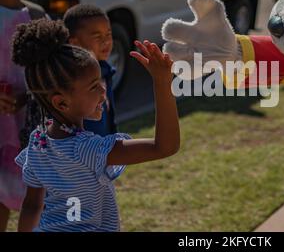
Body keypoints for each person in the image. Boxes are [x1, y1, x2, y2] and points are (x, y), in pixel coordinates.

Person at [12, 19, 180, 232]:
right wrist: (162, 82)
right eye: (94, 87)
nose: (103, 92)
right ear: (61, 102)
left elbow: (32, 205)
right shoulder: (89, 149)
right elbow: (165, 147)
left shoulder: (37, 144)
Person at [0, 0, 45, 231]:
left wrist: (28, 97)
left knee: (32, 201)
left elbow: (50, 72)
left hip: (25, 123)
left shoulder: (37, 15)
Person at [63, 4, 117, 136]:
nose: (106, 41)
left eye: (108, 34)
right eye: (97, 37)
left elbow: (110, 117)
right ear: (74, 43)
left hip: (106, 149)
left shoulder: (106, 70)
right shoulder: (73, 80)